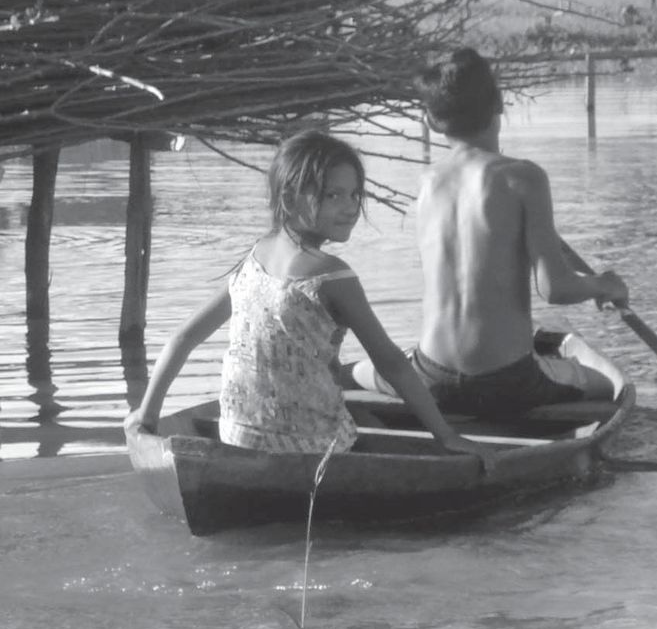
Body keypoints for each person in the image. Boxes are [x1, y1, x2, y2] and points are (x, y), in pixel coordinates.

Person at [123, 128, 495, 470]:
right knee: (365, 417)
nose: (350, 207)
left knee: (351, 399)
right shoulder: (333, 275)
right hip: (313, 449)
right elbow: (393, 364)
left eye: (354, 194)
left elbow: (183, 338)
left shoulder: (255, 257)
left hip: (236, 437)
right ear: (289, 197)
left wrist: (148, 415)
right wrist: (445, 436)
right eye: (333, 195)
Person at [346, 47, 630, 418]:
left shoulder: (428, 184)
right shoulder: (524, 177)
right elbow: (555, 288)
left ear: (431, 120)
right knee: (612, 384)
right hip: (508, 382)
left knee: (349, 371)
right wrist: (604, 284)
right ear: (499, 105)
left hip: (431, 377)